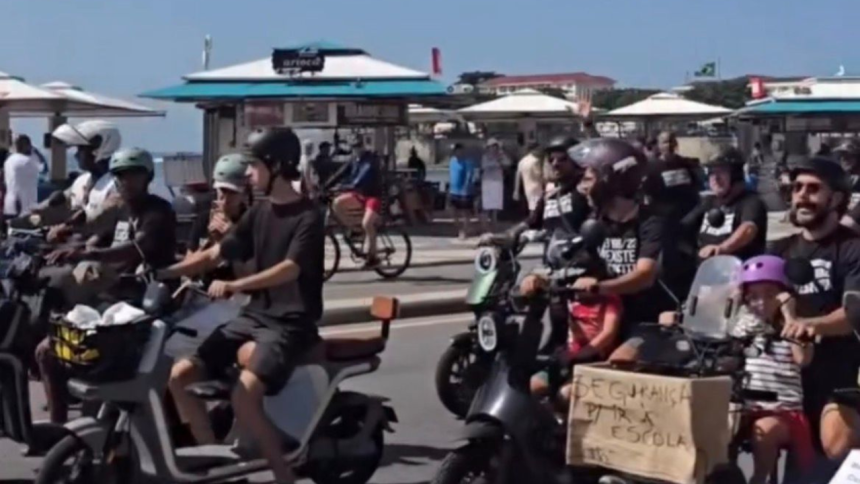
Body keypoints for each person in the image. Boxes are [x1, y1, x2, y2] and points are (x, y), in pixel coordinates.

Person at [165, 127, 324, 484]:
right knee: (179, 375)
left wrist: (236, 284)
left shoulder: (309, 217)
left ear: (277, 166)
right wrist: (168, 270)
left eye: (254, 167)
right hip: (254, 317)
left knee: (243, 396)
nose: (248, 175)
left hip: (290, 323)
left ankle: (284, 477)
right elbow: (216, 252)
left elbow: (290, 270)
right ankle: (219, 468)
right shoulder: (259, 212)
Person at [34, 147, 177, 423]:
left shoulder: (158, 211)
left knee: (91, 359)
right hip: (110, 301)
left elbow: (136, 248)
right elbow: (94, 228)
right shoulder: (120, 208)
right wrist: (67, 236)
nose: (126, 182)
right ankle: (60, 429)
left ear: (148, 177)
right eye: (120, 176)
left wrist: (87, 254)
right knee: (47, 351)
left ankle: (92, 432)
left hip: (140, 306)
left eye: (134, 175)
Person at [769, 156, 860, 475]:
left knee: (833, 451)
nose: (802, 195)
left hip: (840, 369)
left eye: (813, 189)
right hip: (782, 372)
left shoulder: (852, 249)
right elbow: (754, 297)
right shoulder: (777, 250)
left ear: (836, 198)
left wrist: (807, 325)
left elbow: (852, 314)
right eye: (797, 188)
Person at [732, 255, 815, 484]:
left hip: (783, 412)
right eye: (754, 296)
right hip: (745, 407)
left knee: (764, 429)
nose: (761, 302)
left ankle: (758, 480)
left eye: (770, 295)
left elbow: (803, 359)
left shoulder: (797, 327)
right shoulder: (742, 327)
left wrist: (790, 315)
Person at [529, 251, 621, 406]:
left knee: (566, 394)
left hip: (595, 358)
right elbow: (547, 282)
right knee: (535, 384)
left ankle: (567, 423)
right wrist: (535, 282)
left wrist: (581, 354)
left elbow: (608, 333)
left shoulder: (610, 299)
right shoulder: (569, 296)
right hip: (568, 355)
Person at [26, 120, 122, 236]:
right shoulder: (82, 181)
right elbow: (60, 199)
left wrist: (65, 228)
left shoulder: (116, 185)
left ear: (97, 148)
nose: (76, 155)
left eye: (81, 149)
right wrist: (33, 214)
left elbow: (101, 221)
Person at [696, 147, 768, 261]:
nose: (715, 178)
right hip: (704, 272)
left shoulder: (751, 202)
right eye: (712, 172)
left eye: (721, 171)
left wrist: (721, 248)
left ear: (736, 174)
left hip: (737, 272)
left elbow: (748, 229)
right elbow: (685, 225)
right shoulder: (708, 203)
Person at [185, 153, 253, 255]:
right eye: (223, 190)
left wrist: (233, 236)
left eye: (233, 192)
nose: (226, 199)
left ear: (245, 193)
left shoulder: (252, 222)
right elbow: (189, 261)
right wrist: (211, 241)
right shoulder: (203, 220)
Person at [331, 139, 383, 267]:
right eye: (354, 147)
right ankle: (356, 229)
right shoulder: (354, 159)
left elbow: (362, 177)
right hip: (359, 194)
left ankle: (373, 256)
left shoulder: (370, 160)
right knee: (337, 203)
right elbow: (340, 173)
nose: (356, 149)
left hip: (372, 196)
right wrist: (325, 186)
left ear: (363, 146)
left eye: (358, 146)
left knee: (367, 224)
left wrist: (346, 186)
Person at [4, 135, 42, 218]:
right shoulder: (28, 161)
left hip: (10, 202)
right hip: (25, 204)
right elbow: (44, 168)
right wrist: (36, 152)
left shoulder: (9, 160)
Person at [480, 138, 510, 230]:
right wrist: (496, 163)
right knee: (487, 205)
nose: (493, 149)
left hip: (497, 182)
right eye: (492, 147)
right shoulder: (485, 157)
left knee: (496, 205)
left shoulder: (501, 156)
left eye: (495, 146)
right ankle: (486, 226)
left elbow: (508, 163)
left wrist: (501, 155)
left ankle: (494, 224)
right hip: (488, 182)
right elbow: (484, 166)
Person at [448, 143, 476, 239]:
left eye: (459, 150)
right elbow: (451, 175)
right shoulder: (452, 161)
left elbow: (469, 176)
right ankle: (460, 228)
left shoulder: (467, 162)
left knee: (465, 212)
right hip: (453, 190)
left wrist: (466, 188)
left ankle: (464, 230)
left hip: (464, 191)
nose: (457, 153)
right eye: (455, 151)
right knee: (452, 211)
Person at [513, 142, 545, 212]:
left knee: (531, 207)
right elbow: (538, 174)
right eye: (539, 149)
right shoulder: (535, 161)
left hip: (527, 188)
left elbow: (518, 177)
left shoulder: (522, 161)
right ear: (534, 150)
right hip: (536, 187)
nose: (540, 151)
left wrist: (516, 190)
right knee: (536, 209)